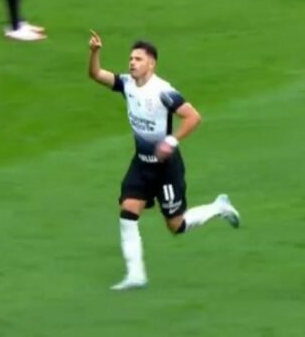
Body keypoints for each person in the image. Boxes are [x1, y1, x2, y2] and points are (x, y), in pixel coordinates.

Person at [87, 30, 241, 290]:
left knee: (176, 225)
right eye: (130, 58)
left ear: (151, 64)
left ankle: (219, 207)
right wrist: (95, 53)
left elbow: (193, 117)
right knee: (127, 211)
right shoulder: (127, 84)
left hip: (165, 168)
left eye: (138, 59)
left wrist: (171, 141)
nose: (132, 63)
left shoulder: (163, 92)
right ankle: (136, 274)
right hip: (141, 163)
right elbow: (96, 75)